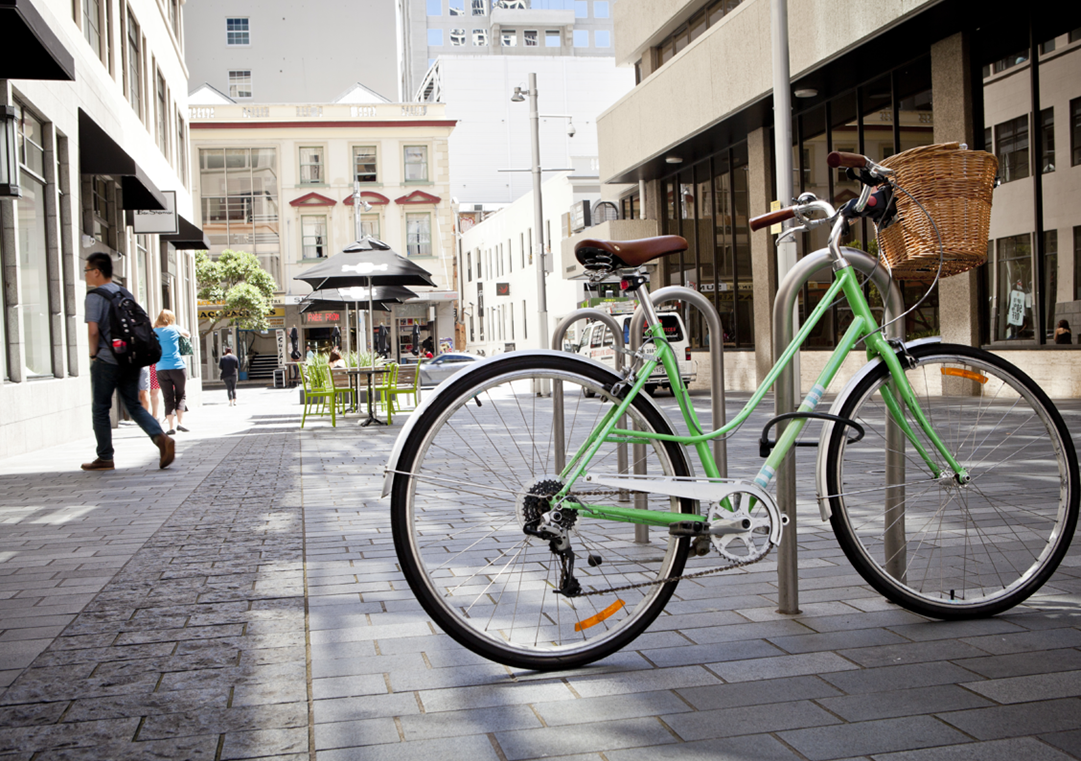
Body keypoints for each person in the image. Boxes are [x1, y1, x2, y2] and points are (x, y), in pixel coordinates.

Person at [82, 253, 174, 471]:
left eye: (87, 270)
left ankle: (105, 457)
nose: (85, 274)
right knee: (132, 404)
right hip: (130, 358)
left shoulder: (94, 296)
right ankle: (161, 437)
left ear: (96, 271)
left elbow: (93, 331)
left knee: (101, 408)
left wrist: (93, 354)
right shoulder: (124, 292)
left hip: (106, 359)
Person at [154, 309, 191, 435]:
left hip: (161, 368)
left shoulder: (154, 331)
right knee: (181, 394)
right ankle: (180, 423)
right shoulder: (174, 328)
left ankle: (171, 427)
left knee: (167, 397)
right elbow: (188, 334)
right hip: (177, 366)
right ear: (171, 319)